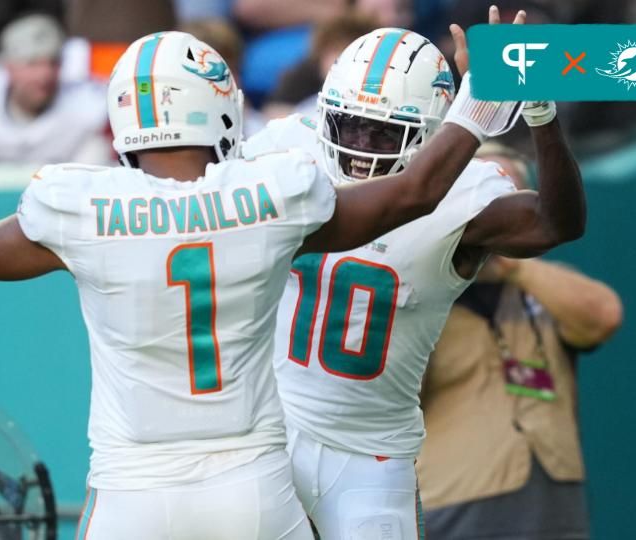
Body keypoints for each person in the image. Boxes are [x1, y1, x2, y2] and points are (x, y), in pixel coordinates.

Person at [0, 31, 520, 539]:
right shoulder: (271, 195)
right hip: (254, 483)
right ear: (221, 110)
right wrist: (477, 102)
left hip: (133, 488)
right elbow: (409, 193)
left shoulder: (82, 206)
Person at [238, 7, 586, 539]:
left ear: (433, 132)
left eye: (383, 133)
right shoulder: (285, 145)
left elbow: (555, 223)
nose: (359, 147)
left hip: (370, 455)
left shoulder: (462, 193)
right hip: (268, 431)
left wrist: (539, 111)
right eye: (350, 124)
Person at [416, 143, 622, 540]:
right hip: (455, 500)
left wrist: (513, 260)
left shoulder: (541, 285)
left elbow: (603, 317)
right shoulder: (421, 292)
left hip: (554, 496)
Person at [0, 14, 109, 165]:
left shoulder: (89, 108)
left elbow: (93, 187)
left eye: (53, 63)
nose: (44, 75)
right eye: (32, 64)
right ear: (8, 66)